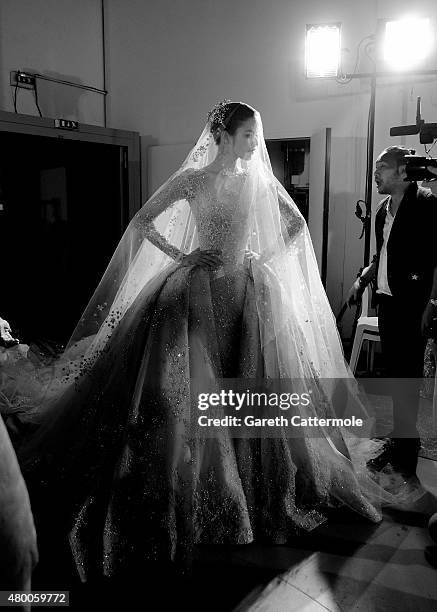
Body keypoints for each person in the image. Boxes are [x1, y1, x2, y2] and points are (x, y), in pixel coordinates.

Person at [14, 103, 423, 582]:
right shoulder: (193, 179)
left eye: (256, 135)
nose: (256, 143)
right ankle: (203, 479)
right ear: (223, 135)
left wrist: (258, 256)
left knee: (254, 377)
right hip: (199, 288)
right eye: (249, 134)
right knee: (187, 383)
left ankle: (249, 480)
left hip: (247, 289)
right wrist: (184, 253)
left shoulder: (257, 181)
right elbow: (142, 223)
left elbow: (295, 227)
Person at [348, 147, 437, 476]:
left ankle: (407, 459)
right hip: (387, 302)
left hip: (414, 305)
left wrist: (433, 303)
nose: (376, 174)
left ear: (402, 172)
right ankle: (396, 443)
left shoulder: (427, 204)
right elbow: (380, 255)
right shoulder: (383, 211)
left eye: (382, 167)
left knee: (407, 378)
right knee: (395, 377)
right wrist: (362, 280)